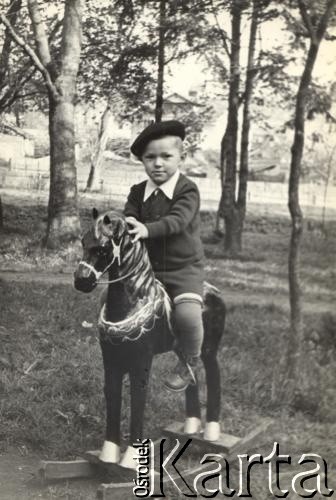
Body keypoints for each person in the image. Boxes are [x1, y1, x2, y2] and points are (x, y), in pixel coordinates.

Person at [124, 120, 205, 392]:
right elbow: (130, 217)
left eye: (166, 156)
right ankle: (122, 347)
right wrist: (125, 225)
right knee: (113, 299)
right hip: (146, 269)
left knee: (187, 315)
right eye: (150, 157)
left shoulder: (187, 190)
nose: (158, 164)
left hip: (183, 269)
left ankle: (190, 361)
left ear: (181, 157)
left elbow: (177, 221)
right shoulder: (138, 192)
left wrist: (147, 229)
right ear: (142, 161)